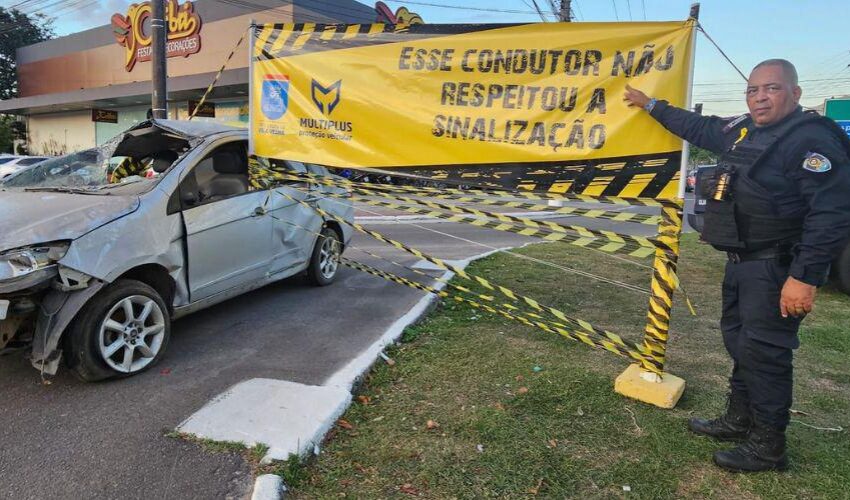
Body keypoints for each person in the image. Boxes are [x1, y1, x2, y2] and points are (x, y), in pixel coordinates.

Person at [624, 59, 850, 472]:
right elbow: (700, 128)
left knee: (766, 354)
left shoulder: (811, 140)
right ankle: (739, 419)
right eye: (753, 90)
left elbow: (831, 213)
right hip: (742, 262)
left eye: (772, 89)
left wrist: (804, 277)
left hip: (777, 268)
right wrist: (651, 104)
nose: (760, 98)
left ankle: (768, 447)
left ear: (795, 94)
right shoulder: (745, 129)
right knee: (740, 343)